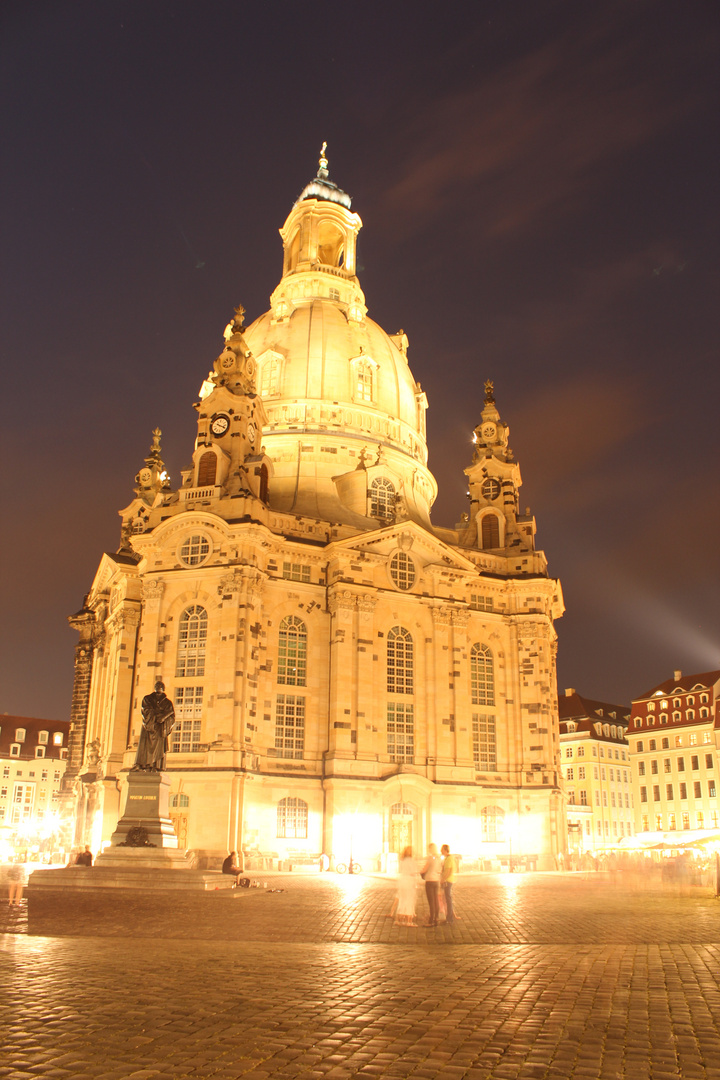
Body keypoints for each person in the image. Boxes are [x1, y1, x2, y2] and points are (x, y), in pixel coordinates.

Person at [133, 680, 176, 771]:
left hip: (160, 728)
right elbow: (146, 710)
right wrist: (156, 717)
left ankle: (156, 766)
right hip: (149, 726)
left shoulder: (168, 703)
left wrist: (164, 719)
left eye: (160, 686)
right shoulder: (147, 698)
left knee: (158, 748)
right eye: (157, 685)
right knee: (144, 746)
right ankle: (141, 764)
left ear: (163, 689)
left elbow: (172, 717)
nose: (158, 687)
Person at [395, 847, 418, 925]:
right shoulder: (412, 861)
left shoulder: (402, 861)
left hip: (402, 880)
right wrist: (415, 883)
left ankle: (398, 920)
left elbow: (400, 870)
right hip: (409, 881)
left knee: (402, 900)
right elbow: (413, 872)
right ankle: (409, 921)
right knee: (409, 900)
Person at [421, 843, 442, 926]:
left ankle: (431, 920)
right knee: (436, 900)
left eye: (429, 849)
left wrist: (420, 872)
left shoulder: (430, 858)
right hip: (436, 881)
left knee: (431, 901)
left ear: (430, 849)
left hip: (429, 880)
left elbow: (424, 869)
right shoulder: (440, 858)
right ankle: (436, 918)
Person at [440, 844, 457, 924]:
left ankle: (449, 918)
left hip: (448, 881)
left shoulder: (449, 859)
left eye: (442, 849)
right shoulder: (448, 858)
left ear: (446, 850)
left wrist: (443, 879)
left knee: (448, 899)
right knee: (447, 899)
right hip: (448, 880)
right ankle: (449, 917)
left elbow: (448, 871)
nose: (441, 851)